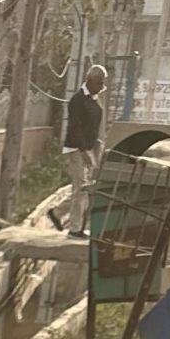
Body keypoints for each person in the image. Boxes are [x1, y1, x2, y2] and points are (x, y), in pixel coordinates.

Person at [60, 64, 107, 237]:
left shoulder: (94, 99)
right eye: (99, 83)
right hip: (76, 148)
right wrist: (85, 150)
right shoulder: (78, 100)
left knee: (86, 189)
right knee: (80, 188)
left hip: (89, 148)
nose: (101, 87)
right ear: (89, 81)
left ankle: (69, 221)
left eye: (103, 83)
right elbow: (75, 127)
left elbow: (92, 127)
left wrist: (95, 144)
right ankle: (74, 229)